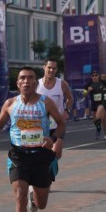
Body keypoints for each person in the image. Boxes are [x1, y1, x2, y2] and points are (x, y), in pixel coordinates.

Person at [0, 66, 65, 212]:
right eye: (22, 78)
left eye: (30, 78)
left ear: (36, 83)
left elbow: (61, 123)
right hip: (18, 156)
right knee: (19, 194)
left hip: (41, 156)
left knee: (42, 204)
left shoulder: (46, 102)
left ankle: (34, 197)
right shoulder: (10, 103)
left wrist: (52, 139)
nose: (26, 81)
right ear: (17, 83)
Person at [36, 57, 74, 191]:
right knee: (40, 154)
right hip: (41, 125)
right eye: (49, 68)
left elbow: (70, 98)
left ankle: (47, 175)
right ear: (44, 68)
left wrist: (66, 110)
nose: (51, 70)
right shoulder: (36, 84)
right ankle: (44, 179)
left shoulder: (62, 84)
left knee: (56, 153)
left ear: (56, 70)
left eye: (54, 68)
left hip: (58, 124)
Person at [85, 70, 106, 140]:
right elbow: (84, 95)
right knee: (94, 120)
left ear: (98, 76)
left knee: (99, 116)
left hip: (102, 102)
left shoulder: (103, 82)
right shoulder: (88, 84)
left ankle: (100, 131)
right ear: (91, 77)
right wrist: (88, 91)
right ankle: (99, 128)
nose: (94, 77)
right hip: (94, 103)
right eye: (93, 76)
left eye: (96, 75)